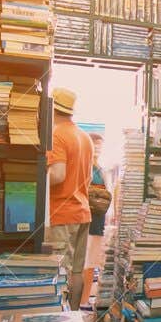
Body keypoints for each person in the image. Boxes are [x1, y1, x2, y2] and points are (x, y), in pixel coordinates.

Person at [45, 86, 95, 308]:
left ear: (52, 109)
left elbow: (57, 174)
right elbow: (88, 178)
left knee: (59, 270)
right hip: (82, 212)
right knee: (76, 270)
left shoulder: (56, 135)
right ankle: (73, 318)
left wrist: (35, 182)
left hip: (61, 213)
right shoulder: (85, 137)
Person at [83, 132, 112, 310]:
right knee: (84, 262)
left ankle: (84, 300)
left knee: (92, 262)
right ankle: (80, 301)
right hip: (86, 219)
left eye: (101, 144)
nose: (98, 148)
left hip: (98, 220)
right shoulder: (84, 166)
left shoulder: (100, 169)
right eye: (95, 144)